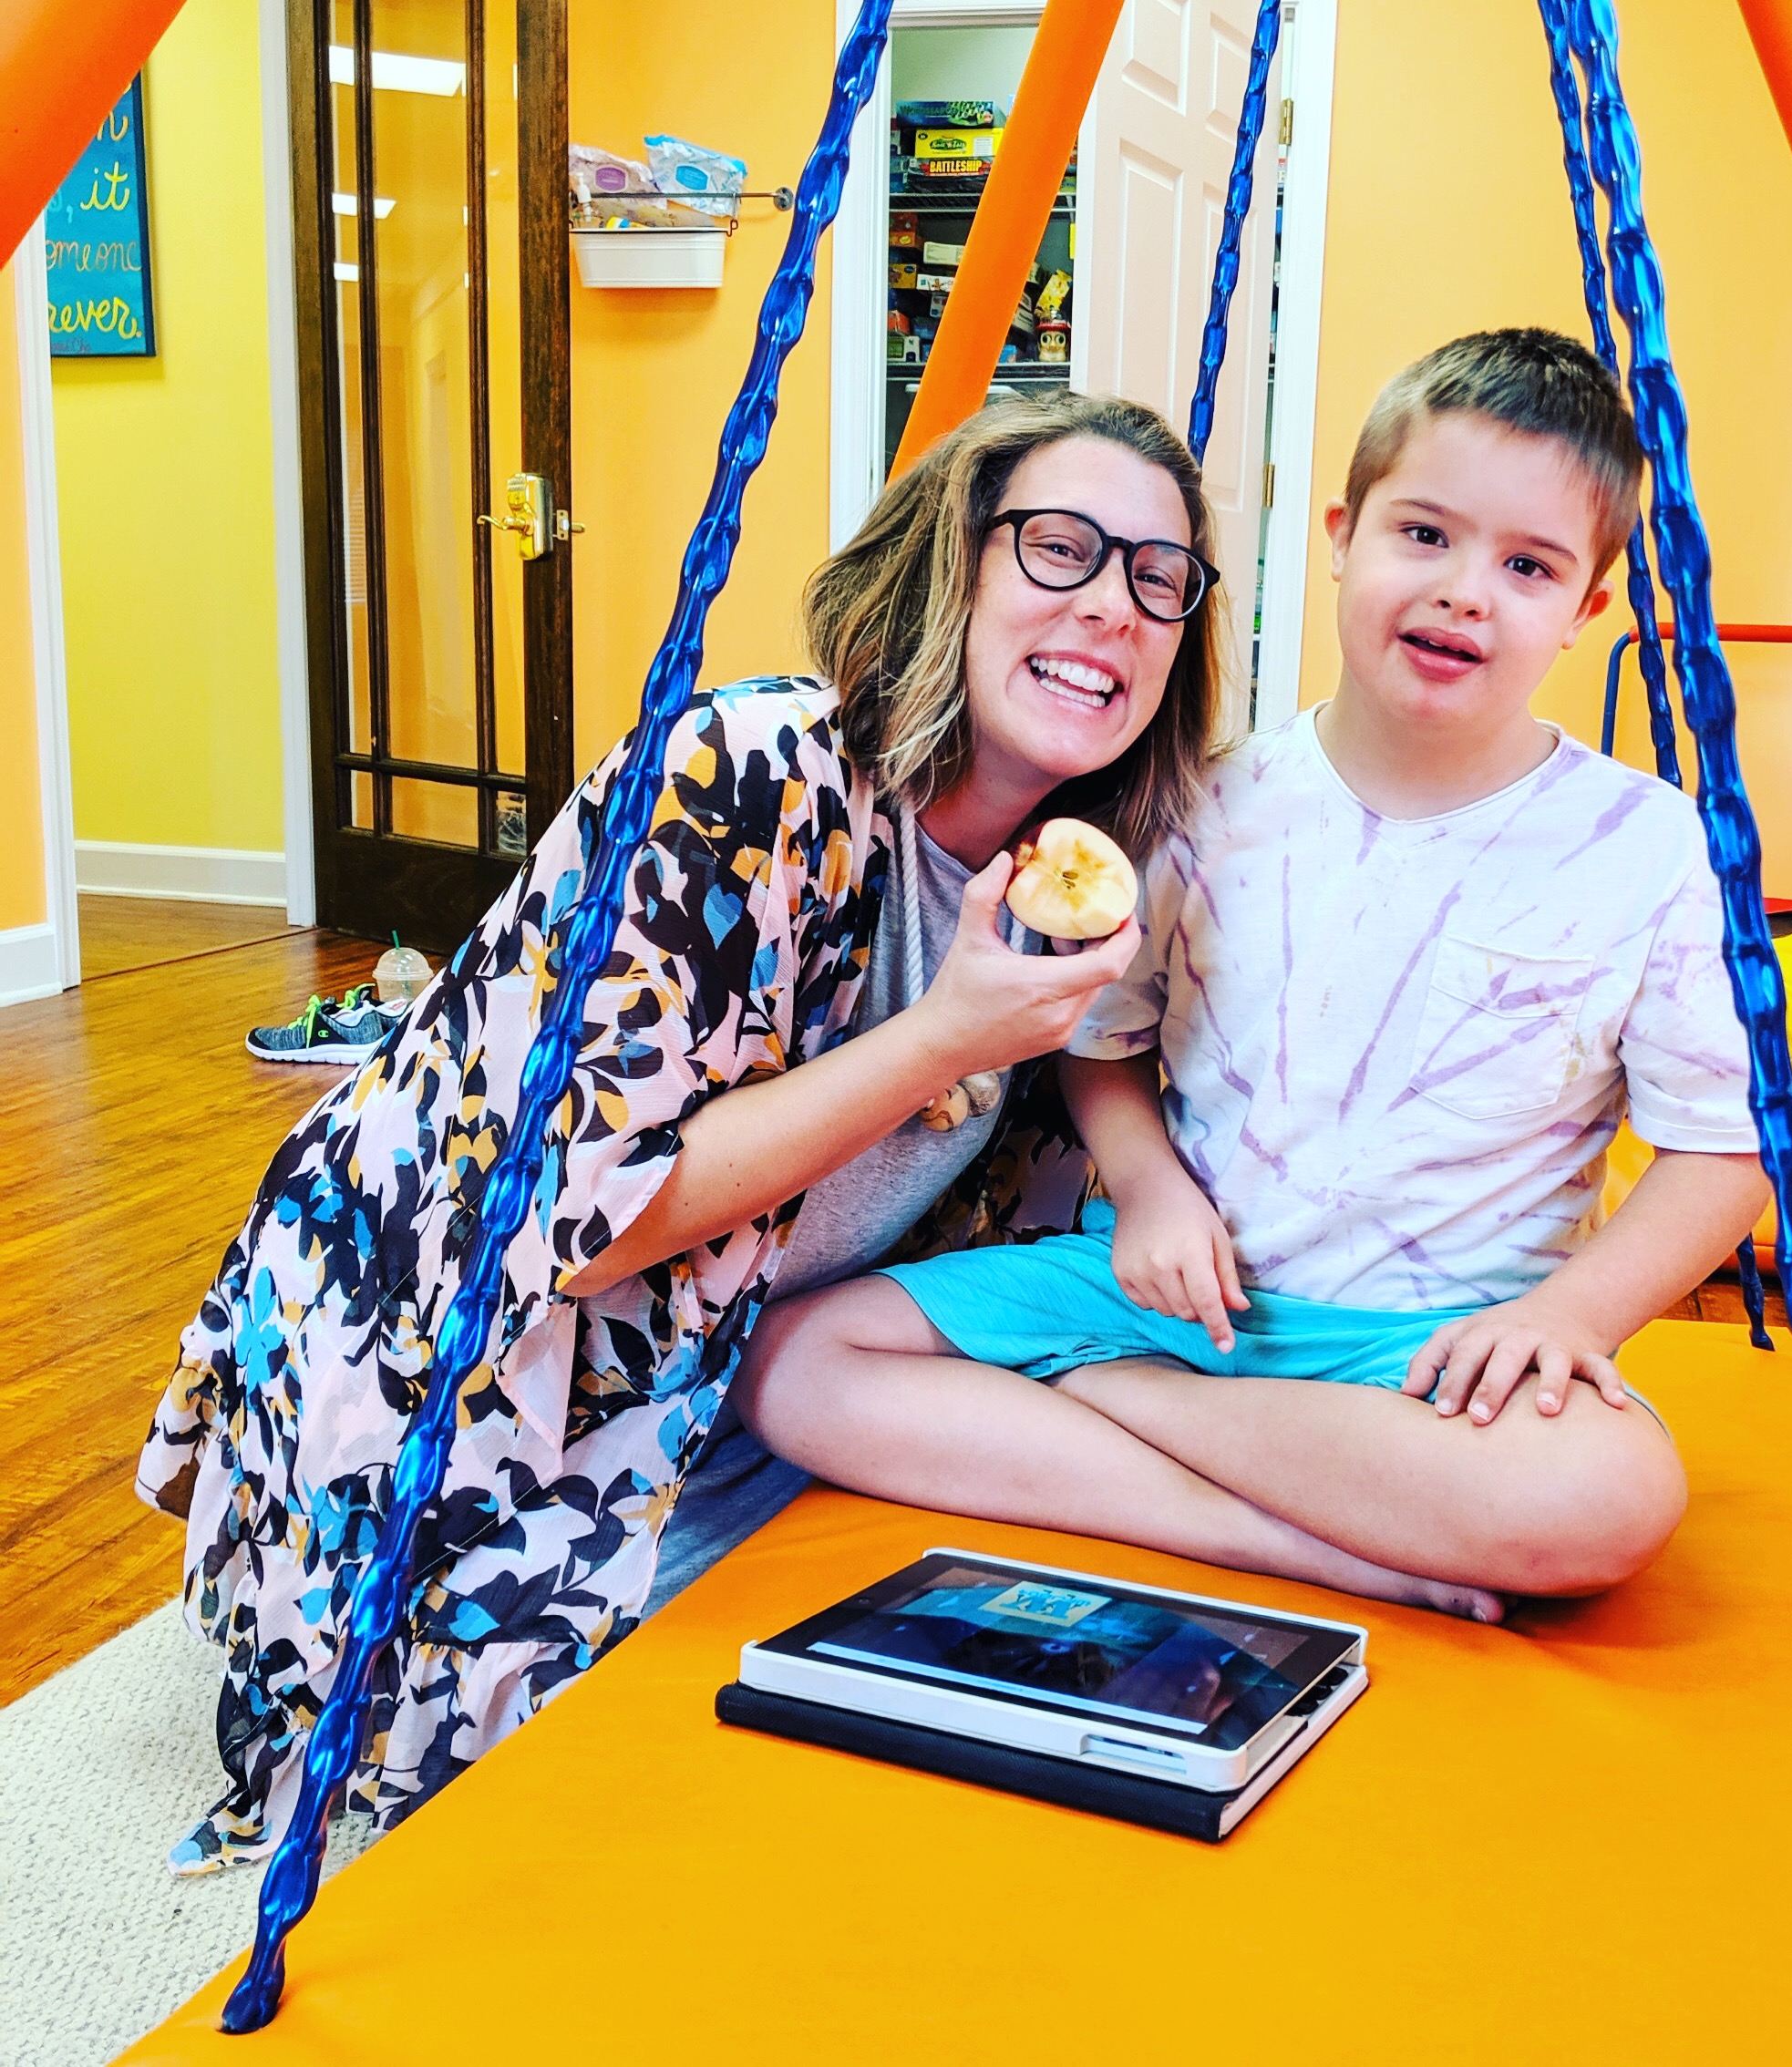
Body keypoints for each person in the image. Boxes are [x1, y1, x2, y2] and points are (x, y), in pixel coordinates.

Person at [135, 392, 1227, 1869]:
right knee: (595, 1821)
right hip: (476, 1356)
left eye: (1159, 578)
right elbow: (578, 1229)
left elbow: (1077, 1154)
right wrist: (948, 1035)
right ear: (949, 571)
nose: (1112, 606)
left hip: (740, 1363)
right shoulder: (751, 775)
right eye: (1058, 548)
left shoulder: (1093, 878)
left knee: (966, 1692)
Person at [733, 329, 1773, 1620]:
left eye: (1527, 566)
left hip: (1423, 1350)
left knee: (1607, 1498)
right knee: (794, 1359)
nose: (1464, 593)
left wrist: (1571, 1319)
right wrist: (1153, 1194)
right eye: (1426, 535)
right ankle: (1304, 1536)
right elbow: (1103, 1043)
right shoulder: (1205, 802)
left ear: (1589, 608)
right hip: (1159, 1299)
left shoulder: (1650, 845)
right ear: (1343, 531)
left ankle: (1099, 1408)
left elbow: (1724, 1148)